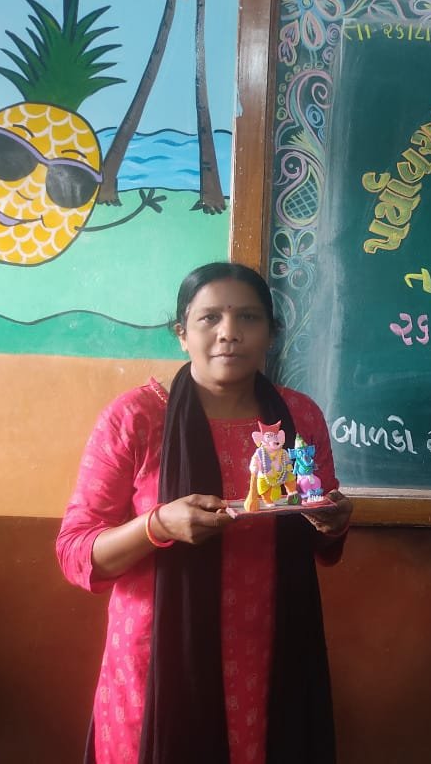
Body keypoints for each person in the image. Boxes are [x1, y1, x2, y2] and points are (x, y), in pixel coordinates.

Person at [57, 262, 353, 764]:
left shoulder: (300, 417)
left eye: (248, 318)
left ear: (271, 334)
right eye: (209, 317)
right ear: (182, 334)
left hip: (271, 650)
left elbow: (321, 527)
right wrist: (157, 526)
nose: (229, 333)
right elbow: (76, 554)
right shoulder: (135, 419)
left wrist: (333, 521)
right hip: (159, 656)